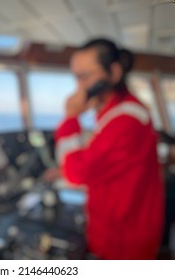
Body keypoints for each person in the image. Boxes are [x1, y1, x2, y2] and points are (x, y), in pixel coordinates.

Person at [45, 38, 165, 259]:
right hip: (120, 228)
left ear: (114, 72)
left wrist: (71, 118)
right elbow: (108, 165)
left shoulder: (125, 120)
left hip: (125, 239)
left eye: (85, 76)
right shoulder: (117, 114)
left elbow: (76, 176)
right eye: (76, 77)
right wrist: (62, 170)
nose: (79, 87)